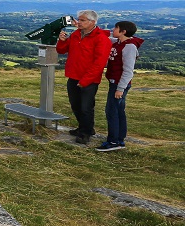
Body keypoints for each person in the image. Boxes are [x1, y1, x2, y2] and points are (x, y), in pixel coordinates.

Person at [56, 10, 111, 145]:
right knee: (75, 105)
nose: (78, 22)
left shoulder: (101, 39)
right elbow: (62, 50)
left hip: (89, 79)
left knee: (86, 107)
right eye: (79, 20)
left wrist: (85, 80)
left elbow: (99, 64)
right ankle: (84, 127)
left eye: (82, 20)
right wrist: (62, 41)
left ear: (92, 22)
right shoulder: (75, 35)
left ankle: (85, 133)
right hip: (73, 76)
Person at [97, 21, 143, 152]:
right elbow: (104, 36)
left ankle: (113, 141)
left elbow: (128, 70)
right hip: (115, 82)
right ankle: (119, 140)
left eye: (116, 28)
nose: (113, 29)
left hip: (118, 84)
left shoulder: (129, 47)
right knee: (118, 111)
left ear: (123, 32)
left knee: (111, 111)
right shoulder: (118, 42)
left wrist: (120, 88)